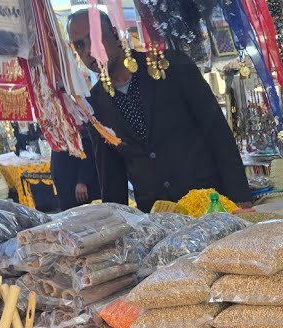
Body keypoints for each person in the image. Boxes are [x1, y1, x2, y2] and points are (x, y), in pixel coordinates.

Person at [66, 10, 251, 211]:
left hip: (210, 205)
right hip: (157, 216)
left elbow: (217, 133)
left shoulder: (172, 66)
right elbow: (111, 173)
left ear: (114, 34)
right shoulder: (95, 104)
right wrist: (116, 228)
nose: (89, 50)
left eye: (94, 38)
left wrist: (240, 198)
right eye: (80, 45)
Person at [52, 126, 101, 210]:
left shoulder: (76, 120)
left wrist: (83, 181)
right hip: (64, 184)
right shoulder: (58, 122)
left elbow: (88, 151)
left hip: (76, 186)